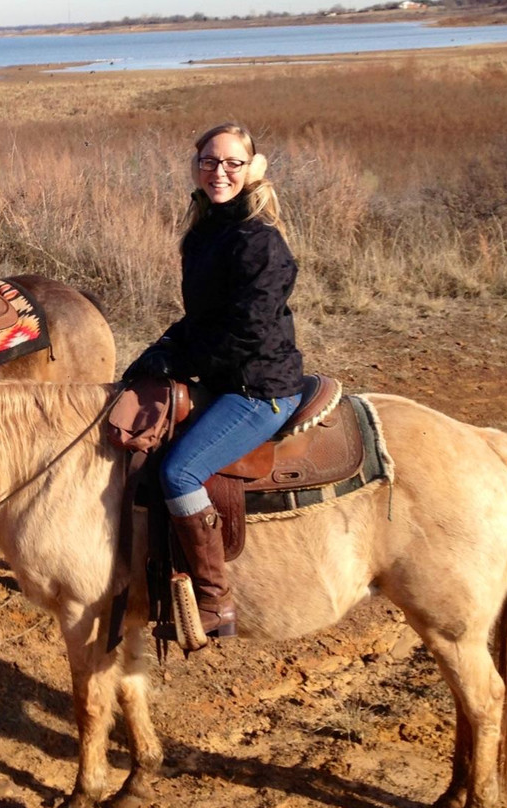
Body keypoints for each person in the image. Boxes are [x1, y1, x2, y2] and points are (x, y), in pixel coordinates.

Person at [124, 123, 305, 640]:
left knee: (180, 473)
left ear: (251, 170)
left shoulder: (261, 242)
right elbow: (203, 318)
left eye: (231, 163)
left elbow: (247, 330)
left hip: (258, 387)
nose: (219, 172)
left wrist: (182, 362)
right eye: (209, 161)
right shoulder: (205, 234)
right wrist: (160, 351)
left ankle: (213, 600)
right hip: (225, 376)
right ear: (196, 166)